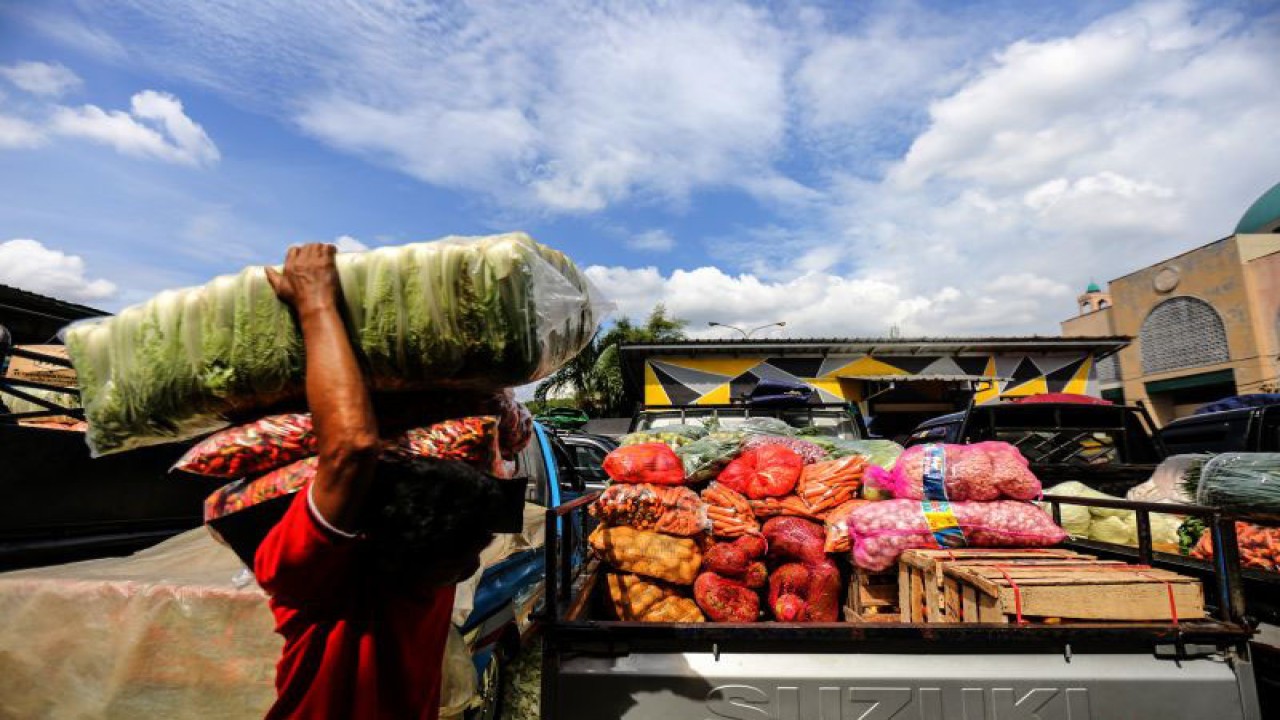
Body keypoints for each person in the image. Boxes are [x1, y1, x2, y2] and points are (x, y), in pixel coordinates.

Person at [254, 243, 505, 719]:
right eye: (465, 553)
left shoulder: (426, 567)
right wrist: (316, 303)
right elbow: (350, 449)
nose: (471, 568)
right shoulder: (312, 575)